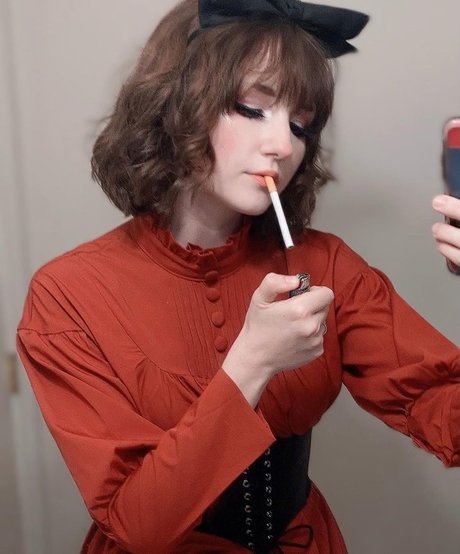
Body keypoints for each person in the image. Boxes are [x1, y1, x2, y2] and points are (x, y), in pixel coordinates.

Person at [16, 1, 460, 553]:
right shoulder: (67, 295)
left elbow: (442, 407)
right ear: (174, 104)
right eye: (252, 108)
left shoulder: (325, 265)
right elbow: (139, 528)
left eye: (300, 124)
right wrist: (252, 363)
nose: (284, 145)